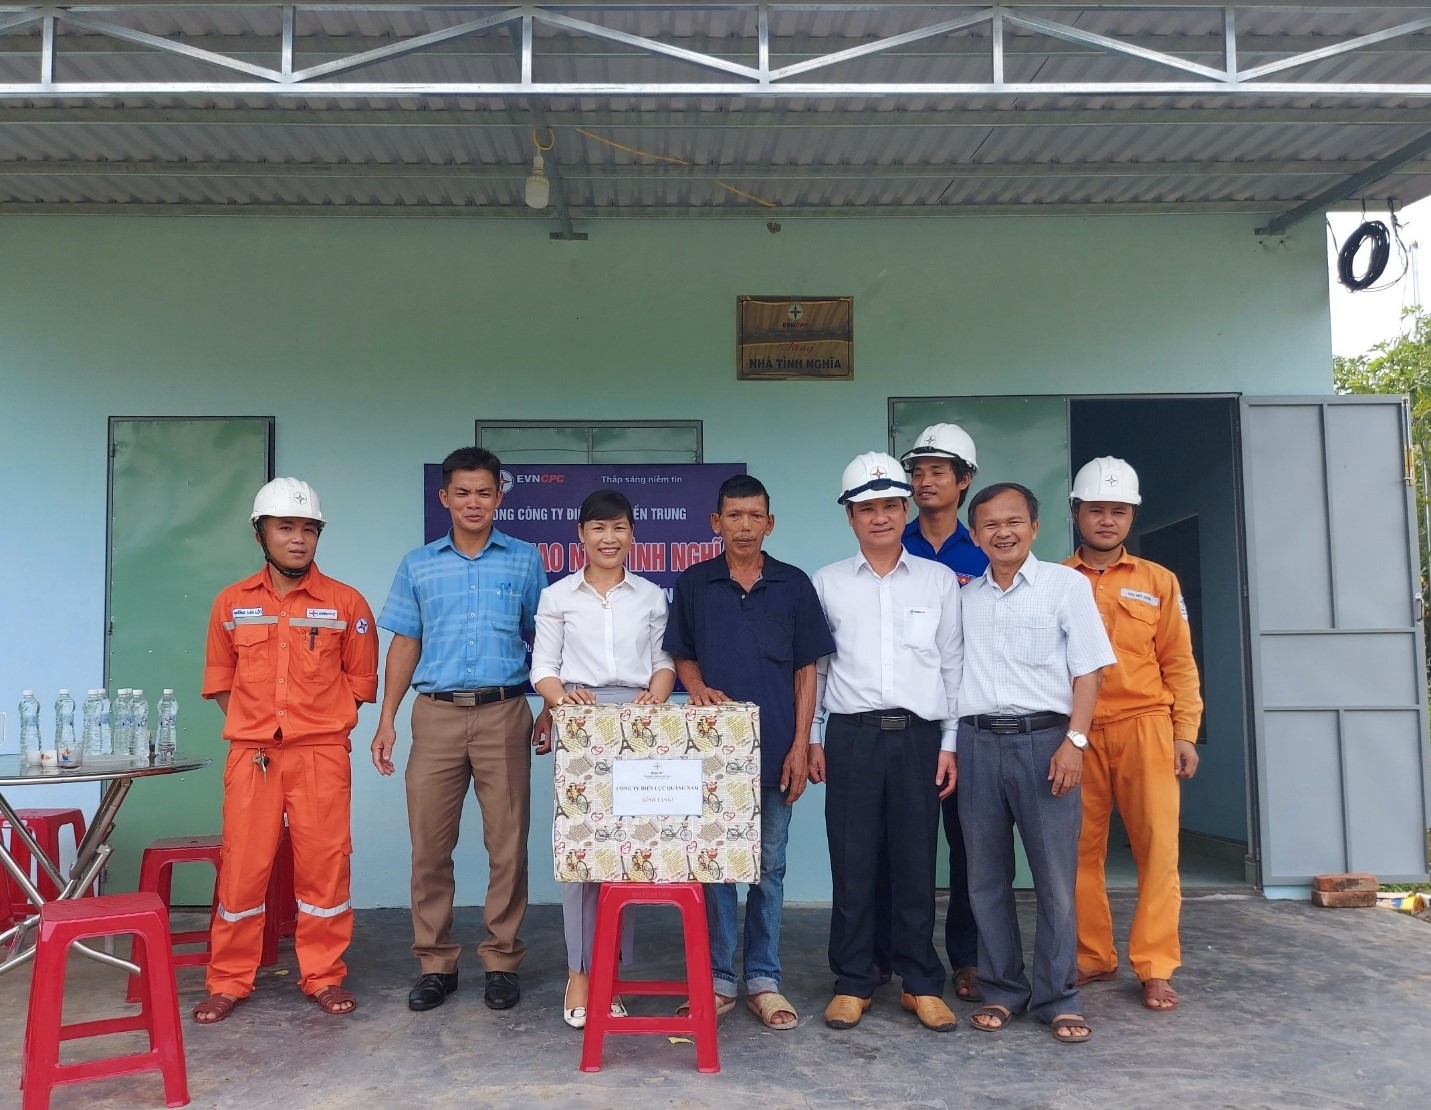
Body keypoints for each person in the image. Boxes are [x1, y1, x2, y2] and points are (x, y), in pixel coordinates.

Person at [371, 446, 546, 1013]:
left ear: (500, 497)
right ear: (444, 497)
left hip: (504, 713)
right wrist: (386, 718)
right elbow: (405, 642)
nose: (474, 503)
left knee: (508, 846)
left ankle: (501, 961)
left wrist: (551, 706)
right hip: (436, 716)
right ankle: (435, 963)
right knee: (429, 846)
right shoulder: (418, 564)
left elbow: (546, 639)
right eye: (463, 493)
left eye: (485, 492)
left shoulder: (524, 561)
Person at [196, 477, 378, 1023]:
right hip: (252, 754)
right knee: (242, 868)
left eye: (308, 529)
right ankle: (229, 979)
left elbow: (359, 683)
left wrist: (315, 724)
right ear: (260, 534)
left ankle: (323, 975)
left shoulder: (347, 603)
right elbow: (221, 681)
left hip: (321, 755)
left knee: (325, 867)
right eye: (285, 528)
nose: (298, 539)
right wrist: (258, 725)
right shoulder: (231, 603)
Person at [664, 474, 834, 1030]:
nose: (744, 526)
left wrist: (800, 744)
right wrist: (696, 685)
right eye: (733, 516)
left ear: (770, 523)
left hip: (778, 747)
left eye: (754, 516)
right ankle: (717, 980)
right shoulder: (695, 583)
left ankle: (763, 979)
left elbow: (807, 670)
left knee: (769, 866)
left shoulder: (793, 584)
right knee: (715, 866)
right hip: (712, 753)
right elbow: (681, 653)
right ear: (716, 523)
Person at [807, 452, 963, 1034]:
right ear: (850, 517)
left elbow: (953, 665)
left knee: (917, 862)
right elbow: (817, 670)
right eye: (867, 508)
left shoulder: (937, 580)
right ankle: (853, 981)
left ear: (905, 510)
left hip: (919, 737)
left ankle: (920, 982)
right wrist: (814, 736)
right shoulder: (827, 583)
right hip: (851, 736)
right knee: (852, 861)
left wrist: (950, 743)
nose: (880, 518)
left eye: (891, 506)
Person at [956, 482, 1115, 1044]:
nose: (1003, 533)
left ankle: (1058, 997)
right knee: (985, 879)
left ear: (1034, 527)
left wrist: (1075, 741)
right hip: (977, 743)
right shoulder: (965, 599)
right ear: (974, 535)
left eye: (1013, 522)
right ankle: (1003, 989)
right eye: (990, 525)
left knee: (1054, 879)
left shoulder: (1065, 586)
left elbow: (1089, 669)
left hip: (1046, 743)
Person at [530, 488, 676, 1029]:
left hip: (639, 726)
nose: (608, 538)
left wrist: (655, 697)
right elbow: (543, 667)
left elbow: (664, 663)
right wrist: (561, 700)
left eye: (618, 528)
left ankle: (609, 973)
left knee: (625, 857)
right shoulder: (558, 596)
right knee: (579, 859)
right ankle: (578, 973)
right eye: (598, 528)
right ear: (581, 535)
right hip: (581, 727)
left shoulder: (651, 596)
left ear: (632, 535)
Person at [1064, 457, 1202, 1013]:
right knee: (1077, 850)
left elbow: (1179, 661)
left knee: (1158, 850)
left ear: (1131, 517)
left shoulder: (1158, 582)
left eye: (1118, 511)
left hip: (1146, 725)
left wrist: (1185, 732)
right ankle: (1092, 955)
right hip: (1077, 730)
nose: (1107, 520)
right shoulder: (1054, 580)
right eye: (1096, 510)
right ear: (1077, 513)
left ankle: (1156, 966)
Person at [872, 422, 989, 1003]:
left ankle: (967, 957)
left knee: (969, 846)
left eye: (938, 472)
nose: (924, 482)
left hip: (973, 719)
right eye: (916, 473)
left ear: (964, 480)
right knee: (893, 846)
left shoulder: (986, 549)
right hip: (911, 725)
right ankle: (889, 955)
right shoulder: (895, 545)